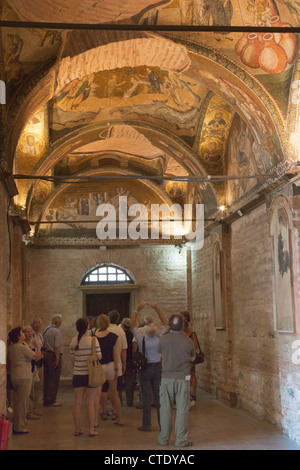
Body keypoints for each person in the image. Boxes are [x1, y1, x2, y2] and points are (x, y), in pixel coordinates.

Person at [157, 314, 195, 447]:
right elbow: (192, 358)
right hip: (183, 378)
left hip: (167, 377)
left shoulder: (163, 339)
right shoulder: (188, 340)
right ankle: (181, 440)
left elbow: (160, 355)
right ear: (183, 326)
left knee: (165, 409)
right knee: (182, 409)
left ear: (169, 325)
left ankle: (163, 439)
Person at [131, 301, 167, 432]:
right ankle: (162, 425)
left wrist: (137, 309)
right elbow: (165, 322)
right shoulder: (160, 338)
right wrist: (157, 307)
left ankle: (147, 425)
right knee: (159, 398)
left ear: (145, 331)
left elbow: (133, 324)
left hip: (145, 369)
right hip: (158, 368)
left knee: (146, 397)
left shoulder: (141, 339)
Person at [70, 318, 101, 436]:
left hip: (77, 374)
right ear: (88, 326)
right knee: (91, 403)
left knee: (77, 403)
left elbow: (72, 360)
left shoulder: (74, 341)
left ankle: (77, 429)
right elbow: (99, 357)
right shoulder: (93, 340)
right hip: (90, 375)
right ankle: (92, 430)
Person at [7, 326, 41, 434]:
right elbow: (36, 357)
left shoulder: (11, 347)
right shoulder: (22, 347)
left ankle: (18, 423)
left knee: (17, 401)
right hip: (24, 376)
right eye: (22, 332)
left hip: (14, 375)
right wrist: (38, 347)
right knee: (22, 402)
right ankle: (19, 427)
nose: (24, 334)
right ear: (18, 336)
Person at [94, 314, 124, 426]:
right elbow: (115, 354)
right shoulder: (113, 336)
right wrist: (117, 368)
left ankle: (95, 421)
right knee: (114, 393)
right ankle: (120, 418)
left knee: (97, 394)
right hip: (111, 365)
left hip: (99, 366)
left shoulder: (93, 336)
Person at [42, 314, 63, 406]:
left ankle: (46, 398)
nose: (61, 323)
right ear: (57, 322)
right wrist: (57, 359)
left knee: (47, 377)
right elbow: (57, 347)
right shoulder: (56, 331)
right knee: (54, 378)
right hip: (53, 355)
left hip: (46, 355)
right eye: (60, 321)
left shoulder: (46, 330)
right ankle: (51, 400)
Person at [180, 311, 199, 406]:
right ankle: (186, 393)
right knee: (185, 377)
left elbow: (195, 346)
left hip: (190, 359)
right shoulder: (181, 334)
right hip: (183, 359)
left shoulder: (192, 334)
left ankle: (193, 393)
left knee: (191, 375)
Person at [22, 326, 40, 420]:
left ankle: (32, 410)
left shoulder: (32, 343)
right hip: (26, 371)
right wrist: (38, 347)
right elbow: (37, 356)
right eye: (27, 332)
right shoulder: (23, 345)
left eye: (30, 332)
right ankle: (28, 413)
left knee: (33, 391)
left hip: (33, 368)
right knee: (27, 393)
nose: (29, 334)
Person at [120, 317, 136, 407]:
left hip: (120, 360)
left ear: (122, 324)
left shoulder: (119, 334)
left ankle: (119, 402)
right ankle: (130, 402)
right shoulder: (131, 335)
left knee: (118, 382)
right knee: (129, 382)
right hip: (129, 359)